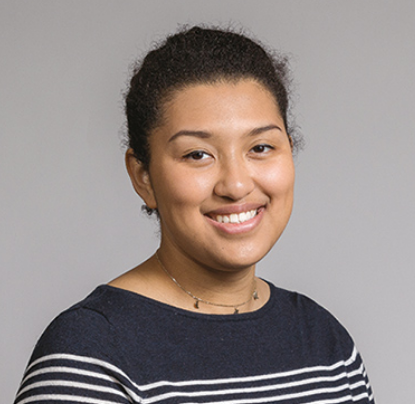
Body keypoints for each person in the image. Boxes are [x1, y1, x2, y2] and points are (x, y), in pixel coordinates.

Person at [14, 26, 375, 404]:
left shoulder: (325, 342)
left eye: (261, 147)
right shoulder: (92, 353)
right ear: (144, 177)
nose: (235, 185)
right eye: (197, 154)